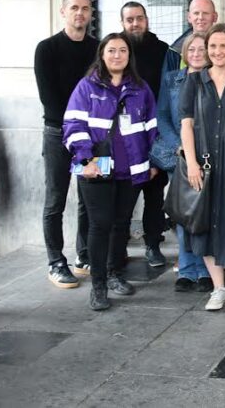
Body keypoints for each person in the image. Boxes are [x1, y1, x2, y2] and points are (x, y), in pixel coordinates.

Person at [63, 33, 158, 310]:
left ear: (130, 56)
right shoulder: (87, 87)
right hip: (96, 169)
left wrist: (152, 163)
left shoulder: (141, 89)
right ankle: (99, 284)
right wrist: (85, 161)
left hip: (131, 170)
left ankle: (116, 273)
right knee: (100, 225)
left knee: (121, 225)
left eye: (123, 51)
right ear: (102, 55)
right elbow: (73, 126)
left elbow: (152, 129)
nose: (117, 55)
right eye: (112, 50)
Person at [180, 23, 225, 311]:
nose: (218, 51)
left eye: (223, 46)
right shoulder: (195, 82)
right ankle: (219, 288)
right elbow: (186, 124)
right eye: (213, 46)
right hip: (205, 166)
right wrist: (192, 163)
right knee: (206, 226)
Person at [34, 0, 97, 288]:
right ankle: (55, 261)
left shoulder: (98, 49)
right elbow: (50, 99)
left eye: (85, 8)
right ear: (63, 12)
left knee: (89, 197)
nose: (80, 14)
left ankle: (83, 255)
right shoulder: (46, 48)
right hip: (58, 133)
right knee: (56, 199)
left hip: (93, 135)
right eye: (74, 8)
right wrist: (75, 132)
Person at [153, 32, 212, 293]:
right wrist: (179, 146)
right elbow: (162, 115)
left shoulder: (215, 79)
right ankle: (187, 270)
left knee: (204, 213)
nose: (197, 54)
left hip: (208, 155)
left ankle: (205, 270)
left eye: (202, 49)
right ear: (185, 54)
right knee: (183, 212)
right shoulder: (171, 80)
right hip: (180, 156)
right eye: (192, 50)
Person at [120, 1, 171, 267]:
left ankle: (153, 243)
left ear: (147, 20)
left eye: (139, 18)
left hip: (154, 131)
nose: (135, 24)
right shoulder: (117, 50)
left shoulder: (162, 50)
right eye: (129, 20)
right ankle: (119, 247)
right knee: (125, 194)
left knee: (154, 193)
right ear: (123, 23)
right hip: (125, 136)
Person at [162, 0, 218, 76]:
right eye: (196, 13)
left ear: (215, 17)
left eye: (205, 13)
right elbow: (168, 84)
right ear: (189, 17)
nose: (201, 17)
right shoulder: (175, 51)